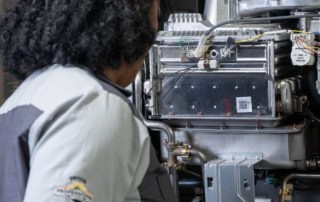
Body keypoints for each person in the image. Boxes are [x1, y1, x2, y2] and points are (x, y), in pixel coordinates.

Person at [0, 0, 178, 201]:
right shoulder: (91, 105)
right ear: (130, 19)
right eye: (155, 10)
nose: (157, 23)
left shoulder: (29, 94)